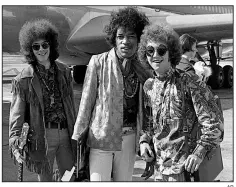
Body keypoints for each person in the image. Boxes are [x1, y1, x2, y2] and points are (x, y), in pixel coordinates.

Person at [71, 7, 150, 181]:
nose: (125, 42)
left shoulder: (143, 68)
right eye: (120, 36)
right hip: (101, 138)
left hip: (129, 140)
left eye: (131, 36)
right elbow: (86, 104)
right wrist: (77, 138)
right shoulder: (98, 62)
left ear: (138, 39)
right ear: (113, 39)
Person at [138, 24, 224, 181]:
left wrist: (200, 152)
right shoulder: (149, 86)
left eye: (161, 50)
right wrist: (144, 141)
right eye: (150, 51)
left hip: (185, 170)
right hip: (159, 169)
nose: (155, 55)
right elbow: (149, 124)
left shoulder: (189, 81)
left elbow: (214, 123)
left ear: (171, 52)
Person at [9, 18, 76, 181]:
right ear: (29, 49)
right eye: (36, 46)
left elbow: (71, 106)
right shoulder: (23, 79)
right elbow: (17, 114)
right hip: (42, 136)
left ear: (51, 45)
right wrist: (15, 140)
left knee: (70, 177)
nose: (41, 50)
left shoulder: (64, 71)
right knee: (46, 180)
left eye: (45, 45)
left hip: (66, 134)